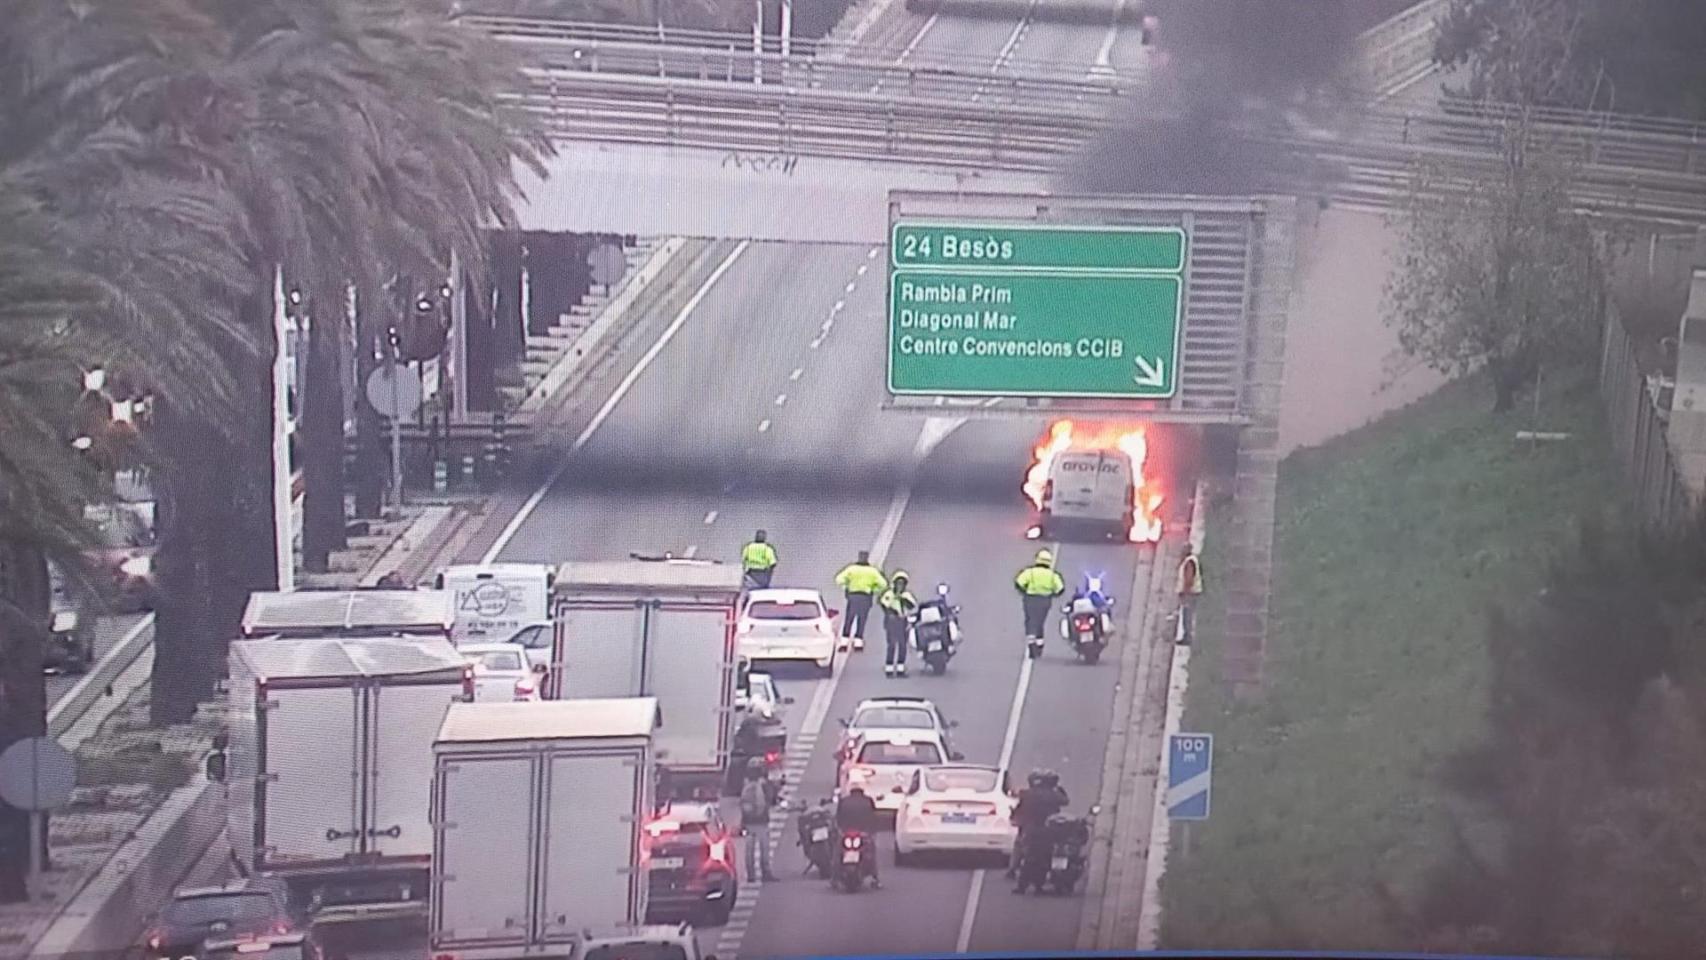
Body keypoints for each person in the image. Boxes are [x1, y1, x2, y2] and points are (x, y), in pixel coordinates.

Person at [1010, 768, 1067, 893]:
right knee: (1044, 857)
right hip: (1048, 830)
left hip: (1033, 829)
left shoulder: (1028, 793)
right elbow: (1065, 801)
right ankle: (1037, 885)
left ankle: (1021, 885)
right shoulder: (1054, 795)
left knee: (1029, 857)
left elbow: (1020, 808)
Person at [833, 551, 887, 652]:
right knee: (862, 619)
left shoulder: (852, 569)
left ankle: (844, 642)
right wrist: (873, 589)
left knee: (849, 618)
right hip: (865, 597)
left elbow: (839, 579)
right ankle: (858, 642)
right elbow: (883, 584)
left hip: (853, 596)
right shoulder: (872, 571)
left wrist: (847, 587)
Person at [1014, 550, 1066, 644]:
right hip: (1045, 600)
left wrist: (1024, 592)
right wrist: (1052, 594)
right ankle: (1039, 641)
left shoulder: (1030, 572)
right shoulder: (1052, 575)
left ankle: (1030, 639)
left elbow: (1018, 583)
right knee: (1040, 620)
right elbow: (1060, 589)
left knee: (1030, 619)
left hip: (1030, 599)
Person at [739, 757, 778, 881]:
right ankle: (765, 872)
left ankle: (751, 875)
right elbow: (772, 799)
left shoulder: (745, 784)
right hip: (762, 821)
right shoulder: (764, 784)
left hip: (748, 822)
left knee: (749, 849)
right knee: (764, 848)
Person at [834, 786, 881, 887]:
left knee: (838, 853)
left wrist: (840, 831)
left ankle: (834, 879)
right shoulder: (868, 801)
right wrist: (871, 832)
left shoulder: (844, 801)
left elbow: (838, 818)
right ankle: (875, 878)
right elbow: (874, 818)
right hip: (863, 833)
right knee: (871, 853)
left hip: (846, 833)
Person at [878, 571, 918, 677]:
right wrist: (892, 612)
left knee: (902, 645)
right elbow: (884, 605)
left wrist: (903, 599)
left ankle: (900, 668)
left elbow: (912, 606)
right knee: (891, 644)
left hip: (903, 621)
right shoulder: (889, 594)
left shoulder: (907, 595)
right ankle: (889, 668)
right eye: (898, 583)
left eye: (902, 583)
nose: (900, 585)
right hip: (891, 621)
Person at [1176, 543, 1204, 645]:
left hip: (1190, 594)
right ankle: (1187, 636)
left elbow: (1189, 580)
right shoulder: (1191, 560)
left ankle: (1187, 637)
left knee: (1187, 616)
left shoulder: (1189, 562)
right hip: (1192, 593)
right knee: (1188, 615)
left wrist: (1185, 593)